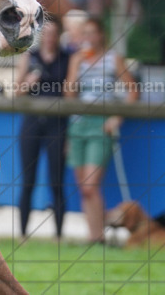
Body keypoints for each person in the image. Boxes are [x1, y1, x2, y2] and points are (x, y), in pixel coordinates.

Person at [63, 17, 139, 243]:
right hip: (78, 125)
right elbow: (69, 95)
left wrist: (117, 117)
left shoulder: (113, 59)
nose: (88, 38)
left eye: (92, 33)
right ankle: (95, 235)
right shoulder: (77, 59)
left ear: (101, 35)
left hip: (100, 124)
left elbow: (132, 90)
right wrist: (75, 65)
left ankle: (98, 234)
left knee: (90, 185)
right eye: (84, 33)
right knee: (83, 188)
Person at [14, 15, 72, 239]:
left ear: (59, 36)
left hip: (58, 124)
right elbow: (16, 92)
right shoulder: (30, 57)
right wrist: (28, 83)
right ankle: (22, 233)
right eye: (45, 34)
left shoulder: (67, 58)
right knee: (28, 180)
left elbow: (71, 93)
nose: (49, 38)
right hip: (32, 122)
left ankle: (58, 234)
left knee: (56, 180)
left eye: (53, 34)